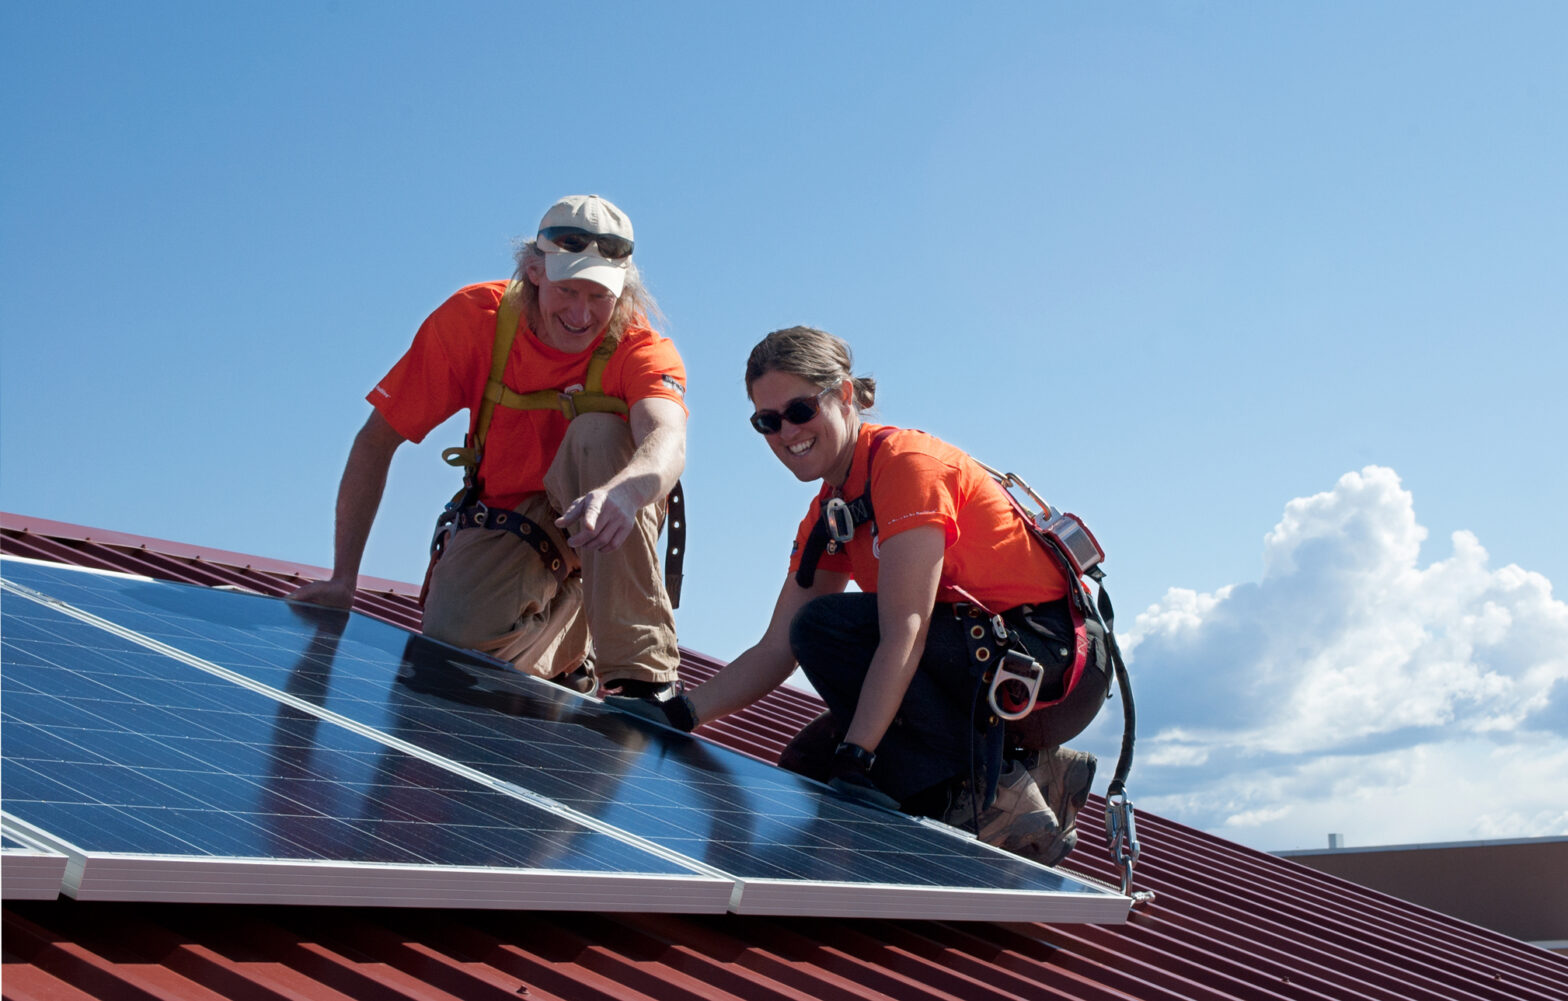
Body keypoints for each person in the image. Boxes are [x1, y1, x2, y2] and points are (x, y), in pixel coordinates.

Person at [611, 326, 1108, 865]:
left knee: (828, 632)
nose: (786, 432)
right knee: (807, 765)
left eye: (800, 410)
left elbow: (906, 628)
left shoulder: (907, 467)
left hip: (1046, 667)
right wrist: (679, 713)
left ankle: (1000, 802)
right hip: (979, 668)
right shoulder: (831, 513)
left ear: (844, 395)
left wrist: (859, 756)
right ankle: (1042, 772)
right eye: (767, 421)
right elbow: (777, 648)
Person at [289, 194, 686, 702]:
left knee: (600, 435)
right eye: (568, 290)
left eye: (600, 296)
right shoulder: (476, 319)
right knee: (454, 649)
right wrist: (343, 579)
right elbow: (375, 442)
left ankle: (642, 680)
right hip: (510, 518)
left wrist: (626, 495)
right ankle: (570, 648)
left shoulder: (640, 346)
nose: (583, 314)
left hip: (607, 516)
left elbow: (666, 438)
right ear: (533, 270)